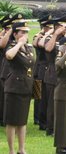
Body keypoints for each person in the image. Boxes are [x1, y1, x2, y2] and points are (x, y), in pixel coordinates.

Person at [4, 22, 34, 154]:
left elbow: (30, 64)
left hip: (26, 87)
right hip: (14, 88)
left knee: (22, 121)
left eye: (26, 32)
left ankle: (21, 149)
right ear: (15, 34)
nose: (24, 35)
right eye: (21, 32)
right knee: (12, 121)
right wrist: (19, 43)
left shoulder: (28, 48)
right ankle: (11, 150)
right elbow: (9, 56)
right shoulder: (12, 46)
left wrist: (23, 45)